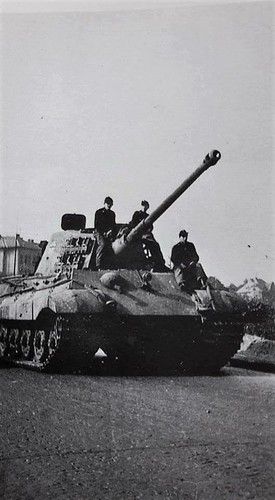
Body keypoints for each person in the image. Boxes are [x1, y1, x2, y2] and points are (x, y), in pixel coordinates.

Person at [130, 200, 167, 271]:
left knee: (155, 245)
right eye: (143, 206)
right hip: (137, 234)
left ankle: (159, 263)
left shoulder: (148, 216)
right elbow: (133, 224)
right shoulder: (137, 214)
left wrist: (148, 230)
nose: (144, 207)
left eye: (146, 206)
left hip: (146, 234)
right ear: (141, 206)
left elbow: (151, 226)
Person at [94, 196, 116, 269]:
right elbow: (97, 225)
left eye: (111, 204)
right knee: (102, 244)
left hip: (109, 233)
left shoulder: (112, 214)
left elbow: (113, 225)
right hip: (99, 232)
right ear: (104, 203)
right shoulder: (99, 212)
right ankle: (98, 265)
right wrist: (103, 233)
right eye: (108, 204)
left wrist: (111, 231)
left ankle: (110, 265)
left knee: (113, 246)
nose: (109, 206)